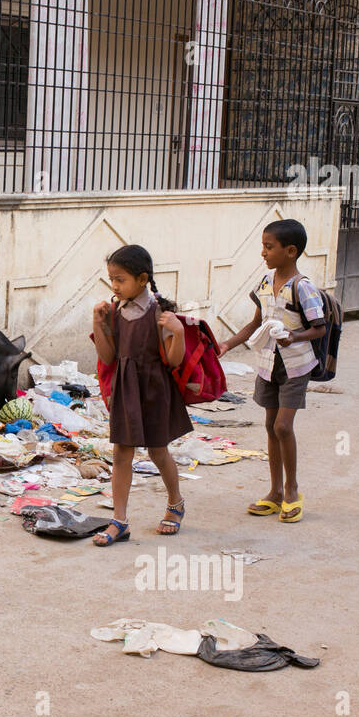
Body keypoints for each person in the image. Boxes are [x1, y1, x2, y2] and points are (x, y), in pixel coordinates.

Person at [216, 219, 327, 523]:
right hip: (268, 364)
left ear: (290, 251)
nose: (263, 253)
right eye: (263, 246)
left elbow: (319, 328)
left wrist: (294, 336)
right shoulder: (265, 283)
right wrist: (227, 344)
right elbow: (255, 323)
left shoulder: (303, 288)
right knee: (269, 425)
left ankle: (292, 491)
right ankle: (274, 492)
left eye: (269, 247)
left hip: (295, 365)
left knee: (282, 427)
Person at [89, 245, 191, 546]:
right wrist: (98, 325)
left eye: (120, 279)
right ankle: (119, 521)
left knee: (158, 452)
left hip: (154, 389)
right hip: (125, 388)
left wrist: (179, 333)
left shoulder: (160, 312)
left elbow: (173, 361)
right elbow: (108, 358)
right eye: (111, 279)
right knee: (122, 453)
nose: (114, 286)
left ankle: (176, 504)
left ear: (143, 278)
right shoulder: (114, 312)